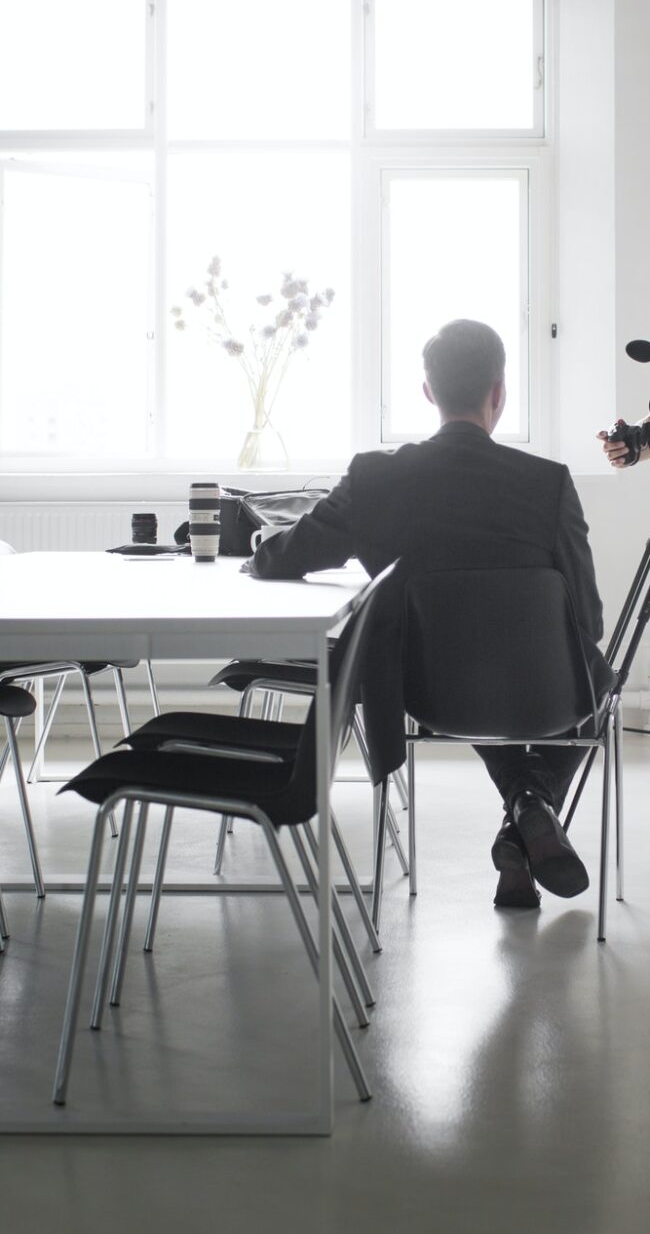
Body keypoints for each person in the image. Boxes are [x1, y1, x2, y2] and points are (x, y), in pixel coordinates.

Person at [248, 318, 612, 910]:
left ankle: (523, 810)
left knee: (469, 671)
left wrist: (255, 549)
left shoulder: (376, 476)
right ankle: (532, 804)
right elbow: (587, 620)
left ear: (428, 393)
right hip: (544, 693)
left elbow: (290, 556)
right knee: (598, 675)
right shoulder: (548, 483)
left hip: (423, 690)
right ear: (500, 393)